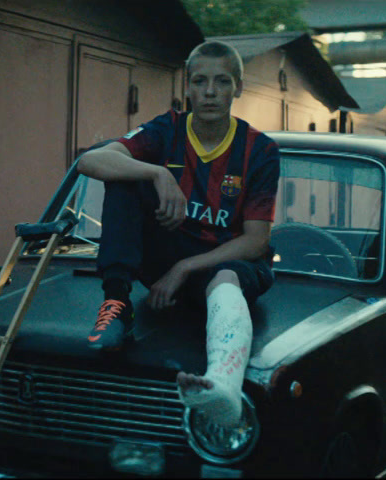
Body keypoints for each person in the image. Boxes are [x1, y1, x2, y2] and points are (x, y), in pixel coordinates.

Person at [76, 40, 279, 428]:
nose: (209, 92)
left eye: (221, 82)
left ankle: (222, 387)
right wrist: (157, 172)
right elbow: (90, 160)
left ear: (238, 87)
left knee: (228, 275)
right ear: (187, 86)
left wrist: (185, 267)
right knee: (122, 175)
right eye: (200, 81)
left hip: (221, 266)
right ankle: (117, 305)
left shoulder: (260, 150)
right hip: (164, 259)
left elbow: (256, 240)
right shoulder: (166, 129)